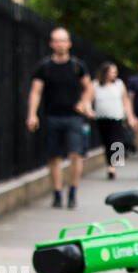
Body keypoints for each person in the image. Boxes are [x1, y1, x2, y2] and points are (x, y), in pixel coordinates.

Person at [26, 26, 93, 209]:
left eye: (63, 40)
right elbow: (35, 91)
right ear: (51, 44)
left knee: (75, 154)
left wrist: (83, 103)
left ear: (69, 44)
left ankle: (72, 191)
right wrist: (32, 114)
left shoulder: (77, 66)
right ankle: (57, 193)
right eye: (56, 40)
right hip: (52, 116)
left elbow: (88, 87)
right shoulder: (44, 67)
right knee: (53, 157)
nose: (60, 44)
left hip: (73, 117)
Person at [92, 62, 133, 180]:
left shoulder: (119, 84)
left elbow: (125, 100)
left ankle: (114, 165)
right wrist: (88, 110)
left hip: (117, 116)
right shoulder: (95, 84)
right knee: (106, 141)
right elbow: (88, 99)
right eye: (112, 71)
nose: (115, 74)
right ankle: (110, 164)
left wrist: (129, 116)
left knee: (116, 139)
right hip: (101, 117)